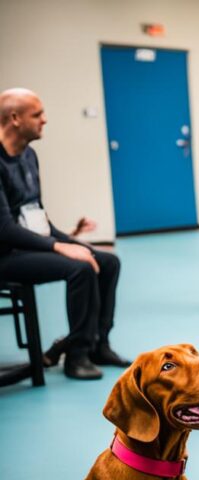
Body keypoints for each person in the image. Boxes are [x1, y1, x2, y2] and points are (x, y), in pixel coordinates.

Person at [0, 88, 130, 380]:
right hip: (6, 255)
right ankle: (76, 354)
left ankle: (98, 343)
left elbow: (37, 216)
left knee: (108, 261)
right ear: (15, 118)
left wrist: (70, 239)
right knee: (80, 268)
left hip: (29, 244)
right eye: (37, 114)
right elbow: (5, 229)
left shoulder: (28, 155)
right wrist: (60, 247)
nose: (45, 120)